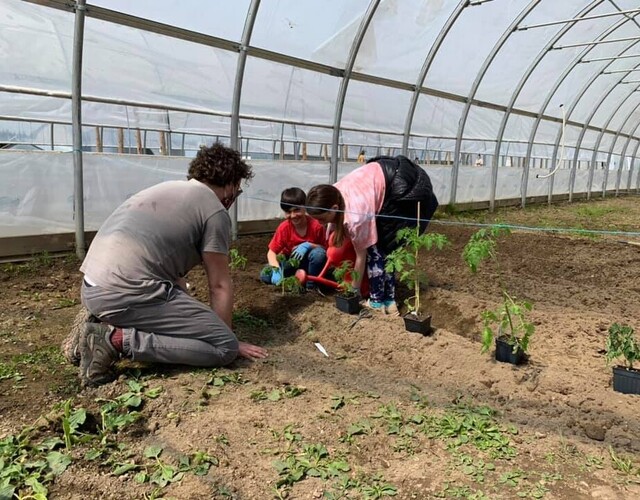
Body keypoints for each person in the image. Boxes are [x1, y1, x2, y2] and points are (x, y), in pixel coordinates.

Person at [63, 142, 268, 388]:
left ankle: (104, 320)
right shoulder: (214, 211)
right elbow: (220, 285)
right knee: (223, 348)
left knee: (170, 308)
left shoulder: (166, 188)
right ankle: (115, 340)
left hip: (92, 286)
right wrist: (225, 338)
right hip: (126, 292)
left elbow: (172, 273)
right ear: (232, 185)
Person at [306, 156, 438, 315]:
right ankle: (389, 301)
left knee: (379, 250)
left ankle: (378, 302)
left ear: (334, 208)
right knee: (387, 251)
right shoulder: (332, 193)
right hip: (388, 174)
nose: (320, 223)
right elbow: (335, 223)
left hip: (403, 189)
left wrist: (354, 292)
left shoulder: (356, 218)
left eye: (321, 219)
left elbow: (362, 257)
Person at [260, 187, 328, 289]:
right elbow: (271, 252)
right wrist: (276, 269)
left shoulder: (316, 226)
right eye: (288, 212)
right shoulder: (284, 228)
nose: (293, 215)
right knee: (265, 275)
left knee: (318, 254)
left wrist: (309, 245)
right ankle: (294, 279)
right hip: (289, 262)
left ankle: (311, 286)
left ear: (305, 207)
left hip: (309, 264)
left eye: (297, 210)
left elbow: (326, 249)